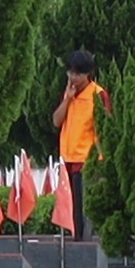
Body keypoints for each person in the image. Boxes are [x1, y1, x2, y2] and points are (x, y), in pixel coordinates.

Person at [54, 49, 107, 238]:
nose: (73, 77)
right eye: (70, 72)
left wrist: (101, 161)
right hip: (67, 158)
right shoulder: (70, 93)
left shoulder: (98, 95)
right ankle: (76, 242)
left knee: (84, 212)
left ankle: (84, 245)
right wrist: (68, 99)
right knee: (71, 210)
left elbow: (105, 130)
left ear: (88, 73)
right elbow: (56, 121)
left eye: (78, 74)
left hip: (87, 160)